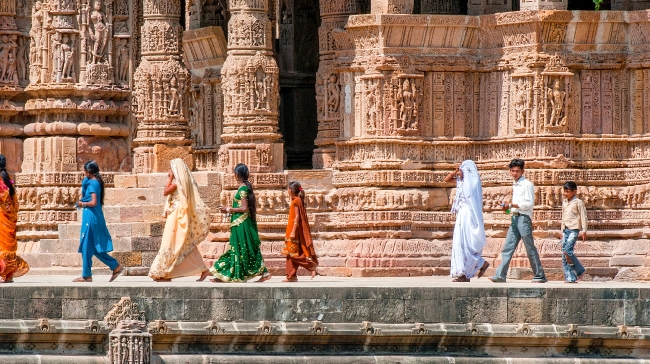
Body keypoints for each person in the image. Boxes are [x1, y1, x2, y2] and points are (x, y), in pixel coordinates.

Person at [148, 159, 211, 282]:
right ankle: (202, 269)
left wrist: (169, 179)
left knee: (170, 243)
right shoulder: (184, 183)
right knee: (182, 243)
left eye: (171, 169)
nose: (169, 171)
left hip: (176, 215)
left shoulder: (177, 183)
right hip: (177, 214)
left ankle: (165, 272)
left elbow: (165, 192)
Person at [209, 164, 271, 283]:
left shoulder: (243, 189)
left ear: (237, 174)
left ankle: (252, 273)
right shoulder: (243, 187)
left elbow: (243, 208)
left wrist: (228, 209)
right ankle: (231, 274)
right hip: (239, 222)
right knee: (243, 248)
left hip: (242, 223)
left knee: (242, 248)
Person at [490, 159, 547, 283]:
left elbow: (529, 204)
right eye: (512, 171)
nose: (514, 173)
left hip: (524, 219)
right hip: (515, 218)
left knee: (529, 248)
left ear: (523, 171)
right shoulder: (515, 184)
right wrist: (507, 209)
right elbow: (515, 207)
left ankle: (540, 275)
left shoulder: (527, 184)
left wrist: (511, 205)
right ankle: (500, 275)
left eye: (517, 171)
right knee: (507, 247)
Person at [74, 161, 122, 282]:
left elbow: (94, 202)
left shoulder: (93, 183)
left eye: (84, 170)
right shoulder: (93, 182)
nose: (83, 172)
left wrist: (82, 204)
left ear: (89, 172)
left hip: (91, 217)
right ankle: (114, 266)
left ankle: (87, 275)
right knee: (90, 247)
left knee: (86, 246)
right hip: (92, 216)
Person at [444, 160, 489, 282]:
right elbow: (446, 180)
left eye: (461, 169)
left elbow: (472, 201)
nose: (459, 172)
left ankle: (465, 272)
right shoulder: (461, 182)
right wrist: (455, 171)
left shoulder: (471, 184)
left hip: (468, 215)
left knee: (465, 242)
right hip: (462, 215)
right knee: (460, 242)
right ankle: (473, 267)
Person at [282, 181, 318, 282]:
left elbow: (297, 217)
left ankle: (311, 266)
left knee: (291, 253)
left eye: (288, 189)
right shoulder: (297, 200)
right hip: (293, 230)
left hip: (293, 231)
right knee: (291, 253)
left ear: (291, 190)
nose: (287, 190)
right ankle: (291, 276)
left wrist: (293, 231)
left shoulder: (296, 201)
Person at [0, 155, 29, 282]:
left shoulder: (1, 179)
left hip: (2, 217)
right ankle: (8, 274)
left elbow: (4, 197)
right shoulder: (7, 178)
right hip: (9, 218)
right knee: (7, 247)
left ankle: (4, 273)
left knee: (3, 247)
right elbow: (14, 200)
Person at [560, 181, 587, 283]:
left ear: (574, 191)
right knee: (564, 254)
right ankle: (570, 277)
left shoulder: (578, 202)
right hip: (566, 230)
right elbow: (563, 217)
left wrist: (584, 231)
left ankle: (579, 270)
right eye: (564, 191)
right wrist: (561, 231)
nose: (565, 193)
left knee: (568, 251)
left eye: (567, 191)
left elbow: (583, 217)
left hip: (574, 229)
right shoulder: (565, 202)